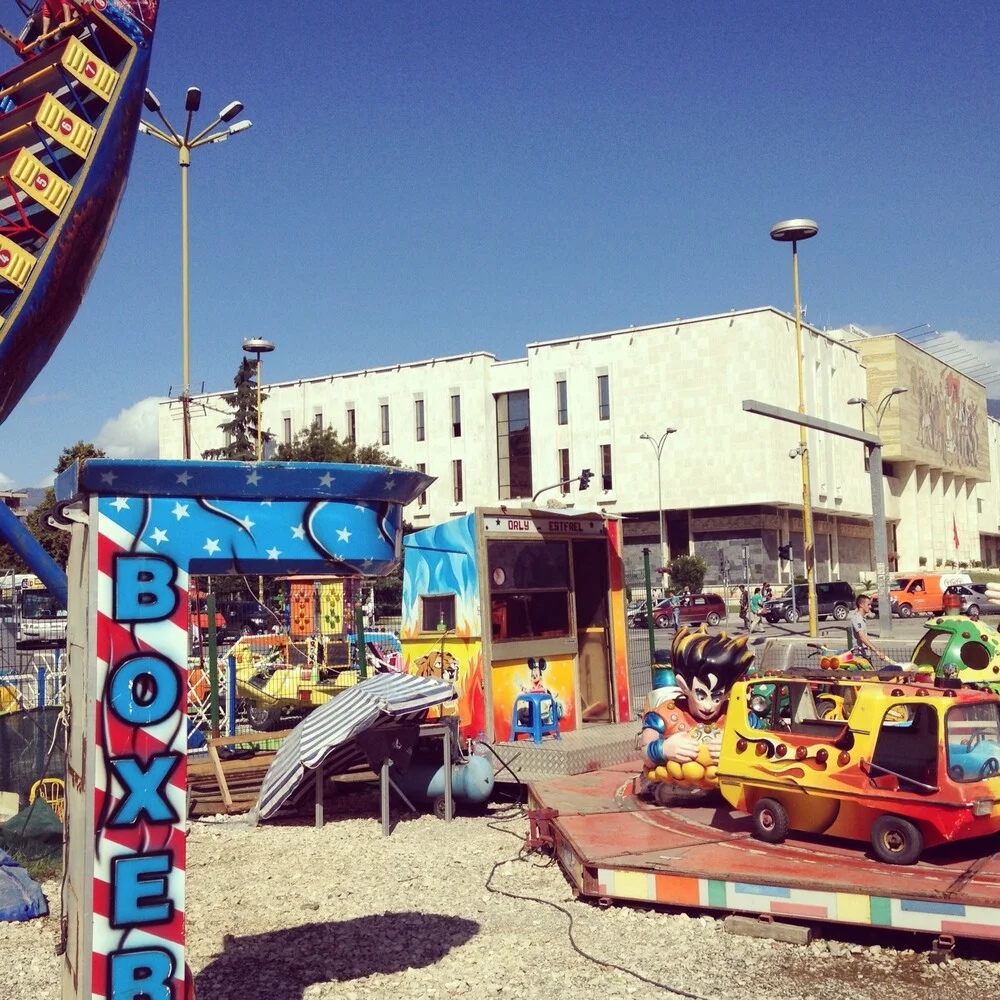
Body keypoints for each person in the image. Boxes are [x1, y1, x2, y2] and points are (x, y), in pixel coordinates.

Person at [847, 594, 883, 663]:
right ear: (861, 605)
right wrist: (876, 651)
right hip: (860, 657)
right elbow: (862, 637)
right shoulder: (857, 618)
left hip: (865, 656)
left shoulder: (862, 618)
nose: (870, 606)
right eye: (868, 604)